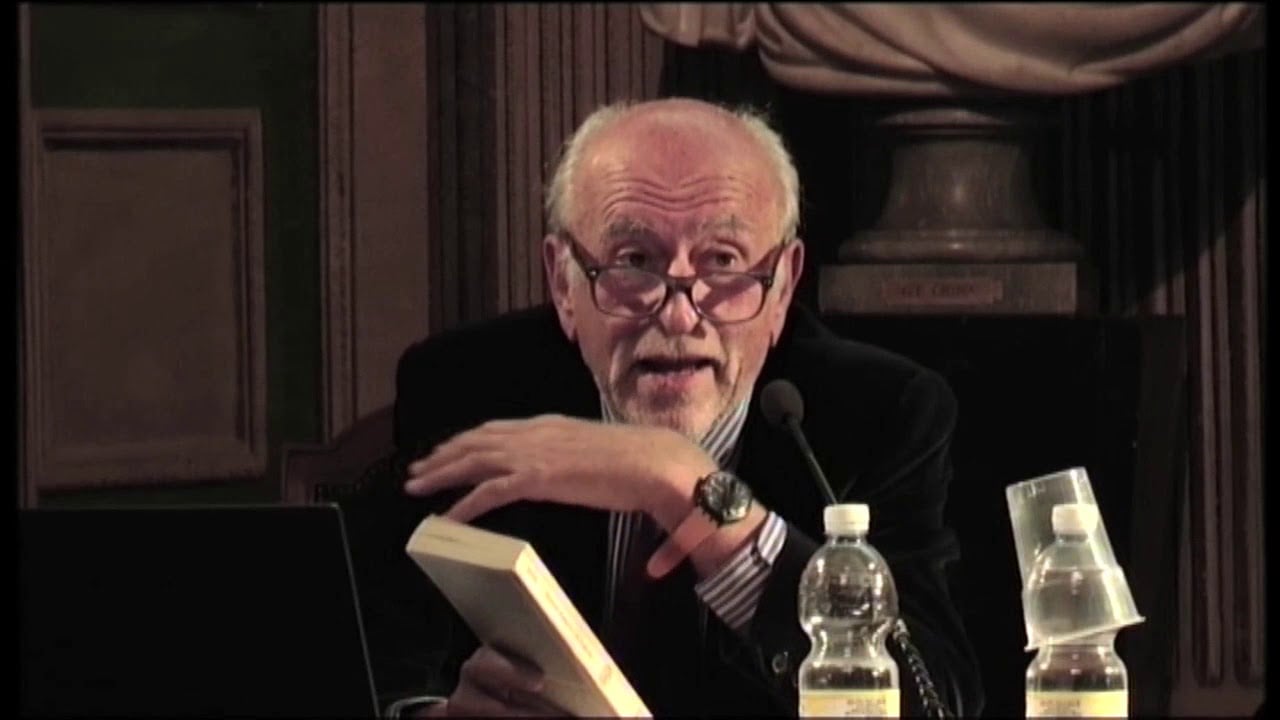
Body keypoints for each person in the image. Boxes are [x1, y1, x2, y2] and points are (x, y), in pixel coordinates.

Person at [342, 97, 983, 717]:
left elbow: (932, 700)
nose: (679, 315)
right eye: (634, 261)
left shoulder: (879, 412)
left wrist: (688, 488)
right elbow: (365, 653)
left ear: (783, 285)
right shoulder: (469, 388)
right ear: (563, 282)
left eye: (723, 262)